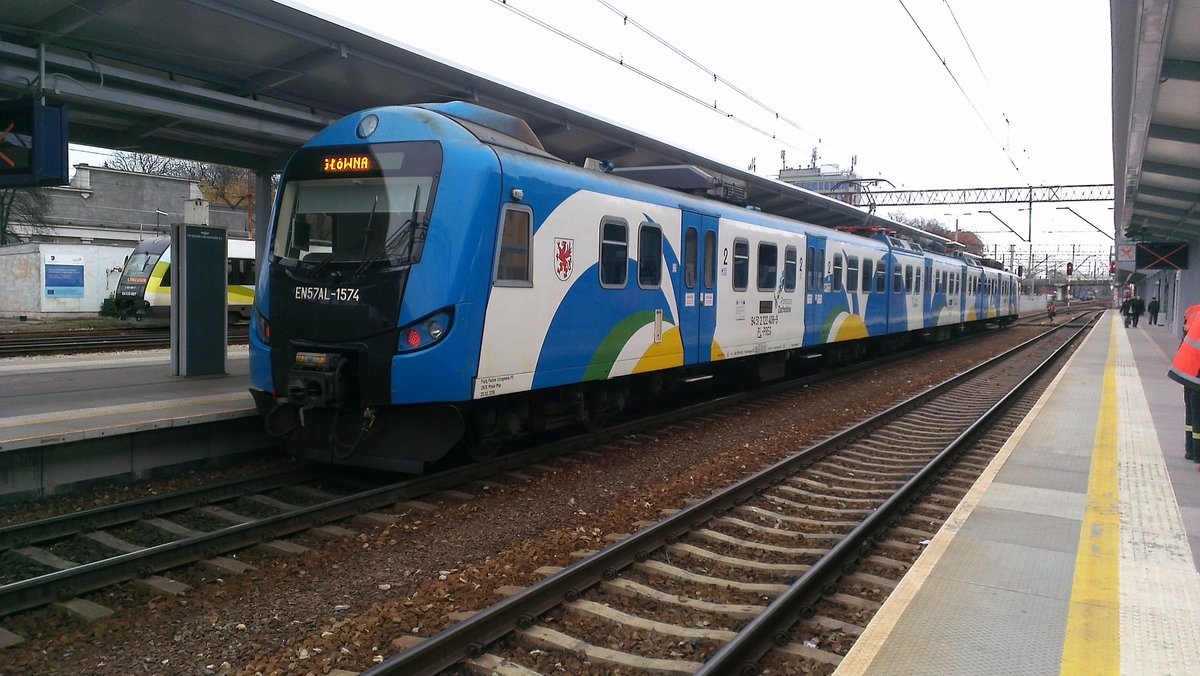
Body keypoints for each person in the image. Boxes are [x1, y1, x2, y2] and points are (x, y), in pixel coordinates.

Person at [1169, 314, 1200, 463]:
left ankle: (1190, 451)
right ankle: (1198, 455)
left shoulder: (1195, 317)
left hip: (1187, 374)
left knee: (1191, 416)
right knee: (1198, 417)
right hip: (1197, 379)